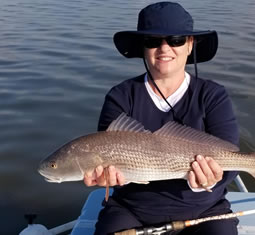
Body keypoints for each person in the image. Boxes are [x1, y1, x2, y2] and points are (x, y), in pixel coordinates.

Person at [84, 2, 239, 235]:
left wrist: (212, 178)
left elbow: (233, 159)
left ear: (190, 45)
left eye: (175, 40)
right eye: (153, 41)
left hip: (205, 210)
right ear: (143, 48)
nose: (164, 48)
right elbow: (106, 153)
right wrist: (106, 177)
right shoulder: (120, 96)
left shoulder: (213, 95)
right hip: (132, 209)